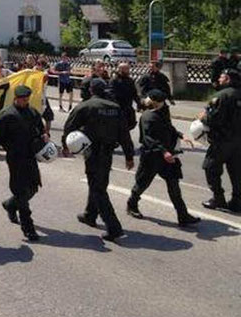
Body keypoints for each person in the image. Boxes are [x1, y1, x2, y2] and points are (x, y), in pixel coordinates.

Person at [62, 78, 135, 242]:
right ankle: (90, 214)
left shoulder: (85, 106)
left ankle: (114, 228)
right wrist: (129, 156)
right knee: (98, 183)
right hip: (107, 153)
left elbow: (69, 127)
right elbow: (124, 134)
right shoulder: (115, 108)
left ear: (91, 90)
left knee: (98, 189)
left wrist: (65, 146)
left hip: (92, 153)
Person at [126, 90, 200, 226]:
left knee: (174, 184)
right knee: (143, 183)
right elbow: (148, 138)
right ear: (155, 102)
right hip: (152, 156)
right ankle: (132, 204)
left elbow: (168, 127)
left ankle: (183, 215)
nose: (164, 104)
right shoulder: (147, 116)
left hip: (168, 156)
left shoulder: (163, 111)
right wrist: (164, 152)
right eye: (161, 102)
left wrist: (181, 135)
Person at [0, 85, 46, 241]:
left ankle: (10, 204)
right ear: (15, 98)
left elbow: (41, 130)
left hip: (30, 155)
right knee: (20, 191)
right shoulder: (6, 115)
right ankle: (28, 228)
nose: (25, 102)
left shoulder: (32, 112)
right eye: (22, 99)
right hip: (15, 157)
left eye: (27, 99)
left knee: (33, 188)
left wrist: (44, 137)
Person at [199, 67, 241, 211]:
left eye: (222, 77)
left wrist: (203, 117)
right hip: (238, 141)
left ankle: (218, 199)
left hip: (222, 140)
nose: (218, 79)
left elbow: (214, 119)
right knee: (236, 171)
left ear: (228, 79)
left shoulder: (222, 96)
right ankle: (237, 201)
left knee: (210, 167)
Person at [110, 62, 141, 130]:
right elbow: (111, 94)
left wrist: (139, 104)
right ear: (120, 69)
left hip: (128, 108)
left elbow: (134, 94)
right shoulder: (114, 81)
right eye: (126, 69)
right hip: (118, 108)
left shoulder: (130, 80)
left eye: (128, 68)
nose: (128, 70)